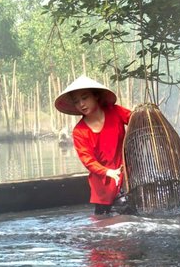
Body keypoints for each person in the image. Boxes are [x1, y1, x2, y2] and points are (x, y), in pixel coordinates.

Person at [55, 75, 132, 215]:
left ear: (96, 96)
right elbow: (88, 160)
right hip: (103, 187)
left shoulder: (115, 111)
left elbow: (136, 121)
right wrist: (108, 171)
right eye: (77, 102)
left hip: (127, 177)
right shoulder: (80, 131)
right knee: (105, 228)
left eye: (85, 98)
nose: (81, 104)